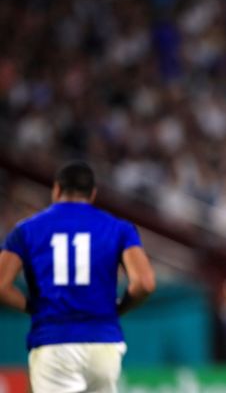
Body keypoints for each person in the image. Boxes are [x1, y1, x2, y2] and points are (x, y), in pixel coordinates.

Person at [0, 161, 156, 393]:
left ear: (56, 189)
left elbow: (1, 285)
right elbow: (144, 283)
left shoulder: (27, 230)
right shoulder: (118, 228)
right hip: (103, 342)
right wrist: (120, 308)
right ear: (93, 194)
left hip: (54, 340)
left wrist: (33, 308)